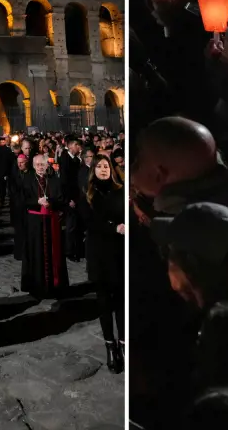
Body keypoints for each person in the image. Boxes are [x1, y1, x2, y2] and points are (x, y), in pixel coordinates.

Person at [86, 154, 126, 374]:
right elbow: (89, 221)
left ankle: (124, 345)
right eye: (99, 166)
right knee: (104, 302)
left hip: (118, 252)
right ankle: (110, 346)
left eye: (106, 166)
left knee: (120, 300)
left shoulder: (120, 191)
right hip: (98, 253)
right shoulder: (89, 193)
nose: (103, 169)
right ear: (94, 169)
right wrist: (113, 227)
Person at [20, 154, 68, 299]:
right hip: (34, 223)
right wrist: (37, 201)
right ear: (33, 166)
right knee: (36, 252)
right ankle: (37, 287)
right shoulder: (28, 180)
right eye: (38, 165)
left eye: (43, 164)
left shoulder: (54, 180)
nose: (40, 167)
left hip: (51, 221)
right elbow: (22, 200)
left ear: (47, 165)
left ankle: (54, 286)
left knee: (54, 253)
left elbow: (62, 199)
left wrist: (50, 202)